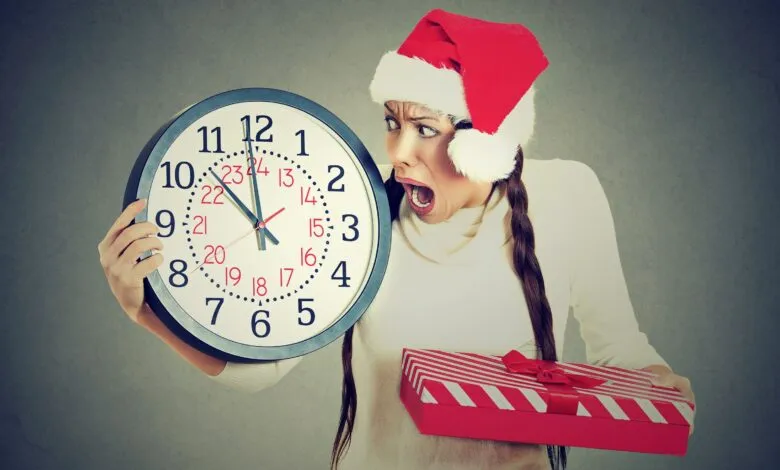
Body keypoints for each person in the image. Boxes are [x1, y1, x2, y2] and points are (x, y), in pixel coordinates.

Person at [97, 9, 695, 470]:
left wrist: (656, 380)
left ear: (485, 141)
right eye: (392, 123)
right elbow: (260, 371)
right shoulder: (355, 217)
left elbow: (622, 350)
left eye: (425, 130)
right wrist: (146, 312)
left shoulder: (568, 195)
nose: (398, 153)